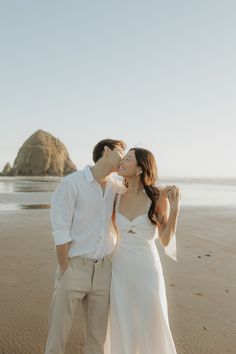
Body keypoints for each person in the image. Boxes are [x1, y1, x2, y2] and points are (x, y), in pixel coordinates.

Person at [45, 138, 126, 354]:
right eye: (120, 152)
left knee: (97, 339)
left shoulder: (115, 187)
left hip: (104, 271)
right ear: (106, 151)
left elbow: (142, 188)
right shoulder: (71, 184)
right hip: (74, 267)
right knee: (58, 336)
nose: (124, 157)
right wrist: (65, 269)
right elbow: (60, 231)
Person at [105, 147, 180, 354]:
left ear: (139, 169)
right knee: (122, 321)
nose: (122, 162)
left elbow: (165, 241)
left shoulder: (157, 198)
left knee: (151, 321)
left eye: (127, 159)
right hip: (119, 268)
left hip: (147, 269)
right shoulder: (116, 195)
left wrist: (175, 211)